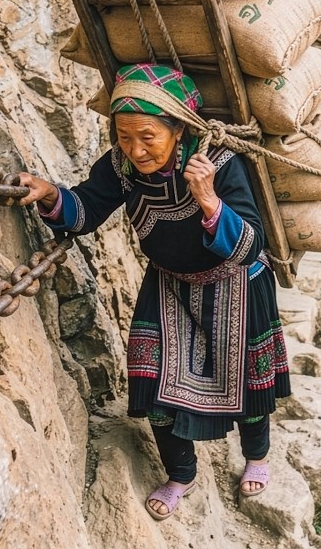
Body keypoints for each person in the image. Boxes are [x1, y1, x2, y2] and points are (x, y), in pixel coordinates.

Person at [16, 63, 291, 520]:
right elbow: (86, 210)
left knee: (247, 381)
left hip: (237, 285)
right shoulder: (122, 167)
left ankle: (257, 455)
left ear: (179, 128)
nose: (136, 149)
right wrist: (50, 195)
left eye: (147, 136)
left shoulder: (220, 163)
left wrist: (208, 201)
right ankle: (181, 474)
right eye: (125, 136)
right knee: (155, 381)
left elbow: (250, 244)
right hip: (168, 285)